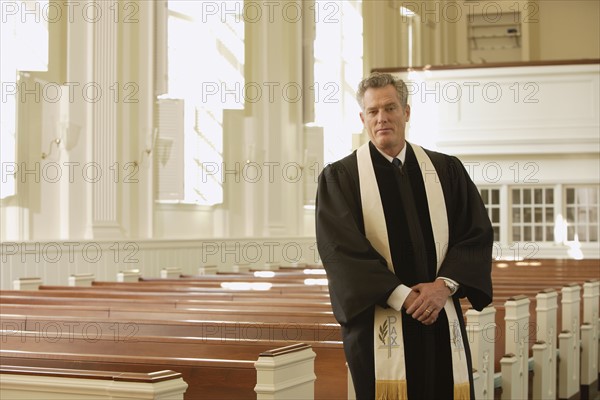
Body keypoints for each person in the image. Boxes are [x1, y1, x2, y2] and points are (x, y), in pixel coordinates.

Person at [315, 72, 493, 400]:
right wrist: (404, 296)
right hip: (378, 325)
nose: (382, 118)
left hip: (441, 316)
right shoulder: (340, 178)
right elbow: (340, 253)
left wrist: (443, 287)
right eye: (373, 111)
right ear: (363, 118)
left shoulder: (446, 170)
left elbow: (476, 234)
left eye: (390, 108)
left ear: (406, 112)